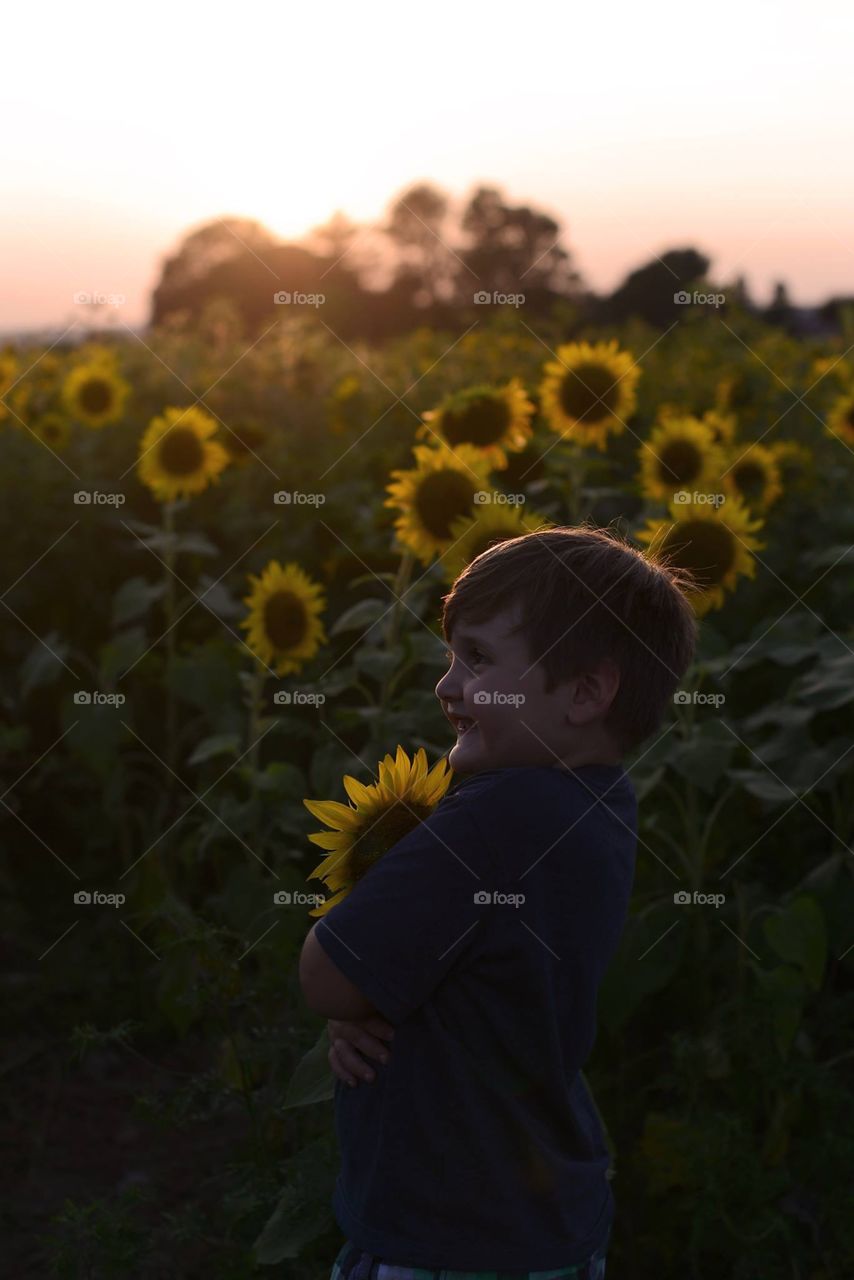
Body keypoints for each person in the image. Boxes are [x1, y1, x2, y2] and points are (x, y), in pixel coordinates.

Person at [300, 525, 699, 1279]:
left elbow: (328, 974)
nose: (447, 686)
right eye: (452, 655)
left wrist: (351, 1002)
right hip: (539, 1221)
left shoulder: (491, 818)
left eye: (478, 659)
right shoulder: (601, 803)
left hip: (449, 1231)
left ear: (587, 691)